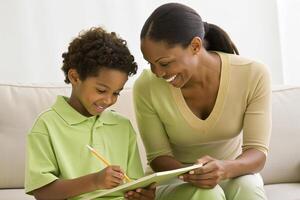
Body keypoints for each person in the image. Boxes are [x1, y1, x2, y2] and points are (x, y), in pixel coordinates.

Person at [133, 3, 271, 200]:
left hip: (231, 171)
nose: (158, 73)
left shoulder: (253, 74)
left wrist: (224, 168)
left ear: (195, 46)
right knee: (207, 193)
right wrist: (195, 175)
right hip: (175, 178)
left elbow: (257, 153)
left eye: (164, 63)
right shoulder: (147, 86)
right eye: (150, 63)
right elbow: (158, 157)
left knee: (248, 186)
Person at [25, 27, 155, 200]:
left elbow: (133, 183)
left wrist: (142, 194)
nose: (109, 100)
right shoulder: (46, 125)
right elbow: (43, 193)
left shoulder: (122, 126)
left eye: (116, 93)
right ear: (75, 77)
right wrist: (95, 181)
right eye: (101, 90)